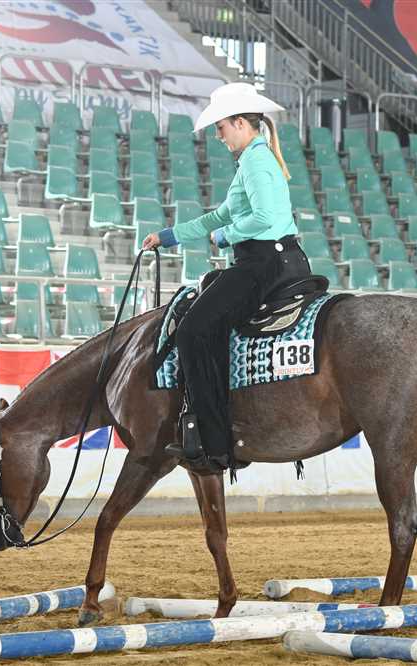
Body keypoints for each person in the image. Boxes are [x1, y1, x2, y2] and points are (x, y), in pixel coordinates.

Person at [141, 83, 310, 475]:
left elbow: (262, 219)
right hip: (269, 259)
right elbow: (218, 216)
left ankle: (213, 443)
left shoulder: (255, 161)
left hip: (264, 263)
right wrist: (169, 236)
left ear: (240, 123)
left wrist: (226, 236)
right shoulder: (253, 159)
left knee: (192, 332)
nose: (218, 136)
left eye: (220, 128)